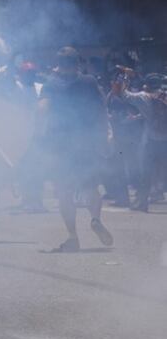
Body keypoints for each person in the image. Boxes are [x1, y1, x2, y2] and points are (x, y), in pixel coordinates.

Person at [37, 47, 114, 252]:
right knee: (90, 187)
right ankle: (95, 219)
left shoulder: (51, 84)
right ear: (77, 64)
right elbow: (101, 110)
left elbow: (42, 110)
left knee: (64, 192)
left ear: (59, 64)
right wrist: (105, 137)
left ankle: (73, 237)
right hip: (86, 143)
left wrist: (39, 133)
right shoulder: (89, 82)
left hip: (61, 145)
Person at [113, 70, 167, 212]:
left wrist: (122, 78)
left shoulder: (144, 97)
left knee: (146, 172)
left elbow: (121, 94)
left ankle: (142, 203)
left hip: (151, 140)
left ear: (146, 85)